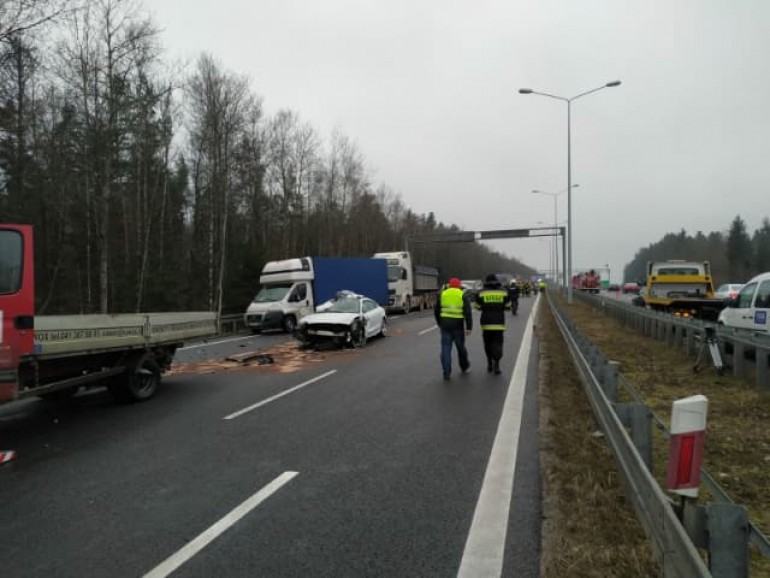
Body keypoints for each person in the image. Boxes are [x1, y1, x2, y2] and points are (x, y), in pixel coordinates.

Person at [434, 277, 473, 380]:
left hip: (445, 326)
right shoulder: (462, 295)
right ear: (459, 286)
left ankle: (446, 372)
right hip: (458, 326)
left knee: (446, 349)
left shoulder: (443, 294)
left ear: (450, 285)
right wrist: (469, 327)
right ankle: (464, 366)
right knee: (461, 348)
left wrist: (439, 323)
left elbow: (436, 310)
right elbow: (468, 312)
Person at [474, 274, 510, 375]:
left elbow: (477, 306)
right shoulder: (503, 292)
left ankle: (489, 363)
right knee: (498, 344)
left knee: (487, 344)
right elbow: (508, 306)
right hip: (499, 323)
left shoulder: (481, 293)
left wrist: (485, 307)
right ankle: (497, 364)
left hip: (486, 323)